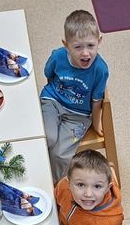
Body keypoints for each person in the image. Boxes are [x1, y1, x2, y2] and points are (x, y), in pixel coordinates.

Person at [40, 10, 109, 182]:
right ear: (66, 45)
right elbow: (48, 75)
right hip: (52, 101)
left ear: (99, 41)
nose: (85, 53)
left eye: (90, 46)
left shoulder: (100, 69)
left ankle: (55, 186)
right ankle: (39, 171)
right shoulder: (57, 56)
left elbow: (96, 99)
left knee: (60, 155)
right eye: (78, 47)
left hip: (78, 116)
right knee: (47, 138)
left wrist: (96, 123)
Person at [55, 149, 123, 225]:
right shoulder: (64, 186)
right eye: (80, 185)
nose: (88, 194)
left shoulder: (110, 222)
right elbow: (54, 198)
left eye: (97, 186)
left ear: (108, 188)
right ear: (69, 183)